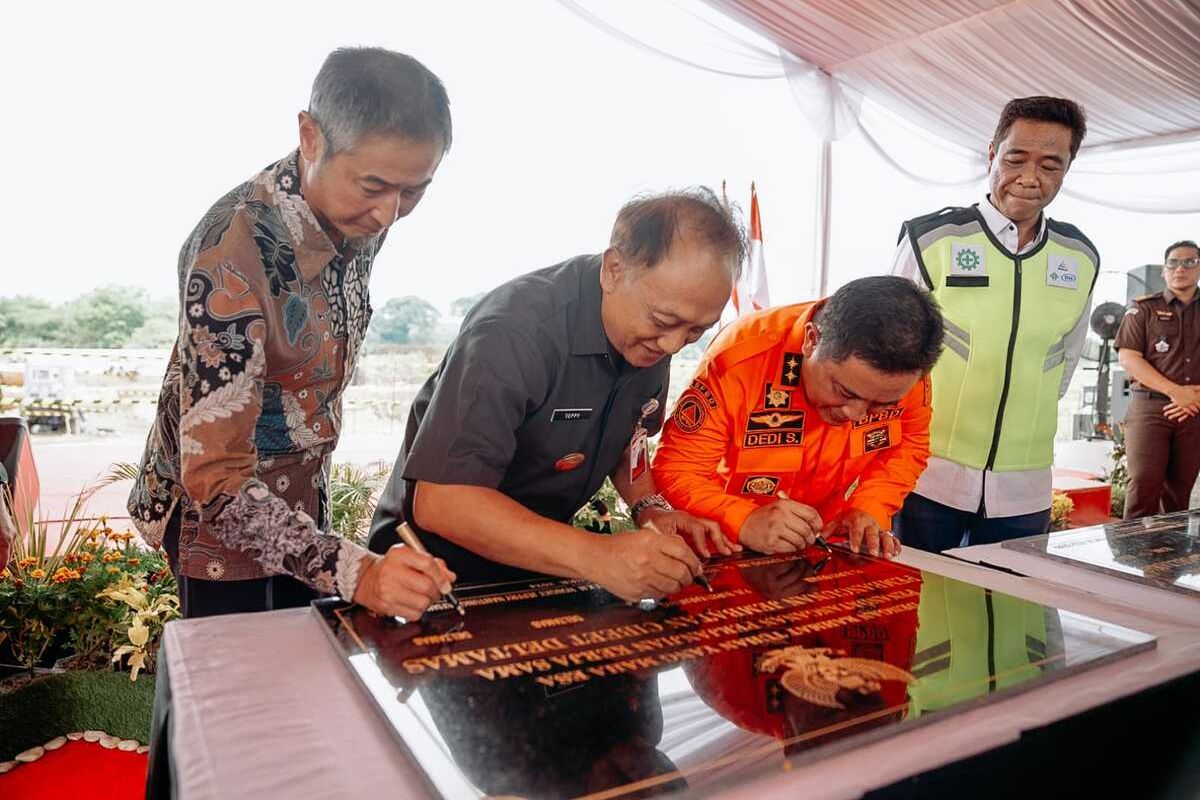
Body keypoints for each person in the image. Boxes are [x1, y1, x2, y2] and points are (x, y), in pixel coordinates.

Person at [128, 47, 456, 620]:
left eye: (415, 191)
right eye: (374, 185)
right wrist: (360, 571)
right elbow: (215, 480)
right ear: (310, 136)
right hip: (221, 527)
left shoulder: (359, 214)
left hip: (302, 501)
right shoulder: (228, 256)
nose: (389, 214)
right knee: (243, 698)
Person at [368, 188, 742, 600]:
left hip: (539, 564)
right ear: (614, 269)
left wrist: (650, 507)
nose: (673, 346)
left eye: (696, 331)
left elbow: (628, 434)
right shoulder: (514, 331)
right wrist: (597, 556)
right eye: (664, 321)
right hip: (434, 576)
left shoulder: (650, 332)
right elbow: (442, 501)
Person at [891, 96, 1099, 551]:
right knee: (920, 611)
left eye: (1050, 165)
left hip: (1023, 489)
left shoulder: (1079, 257)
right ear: (991, 153)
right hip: (927, 476)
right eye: (1015, 159)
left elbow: (1064, 363)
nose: (1029, 179)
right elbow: (888, 357)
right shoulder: (932, 238)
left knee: (1013, 614)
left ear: (1067, 168)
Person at [653, 276, 943, 559]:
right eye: (844, 391)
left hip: (826, 547)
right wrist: (744, 519)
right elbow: (678, 468)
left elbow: (908, 445)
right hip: (727, 548)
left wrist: (870, 508)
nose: (854, 415)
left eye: (881, 405)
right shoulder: (742, 357)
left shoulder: (905, 371)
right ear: (811, 341)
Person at [1115, 239, 1200, 518]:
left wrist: (1193, 396)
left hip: (1195, 409)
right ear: (1164, 271)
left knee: (1179, 490)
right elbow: (1129, 357)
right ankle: (1131, 558)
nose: (1180, 268)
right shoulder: (1143, 309)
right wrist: (1176, 391)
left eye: (1190, 262)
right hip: (1150, 408)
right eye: (1173, 262)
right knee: (1142, 485)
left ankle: (1169, 558)